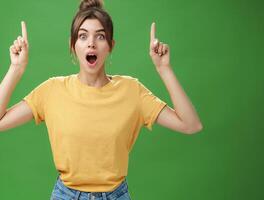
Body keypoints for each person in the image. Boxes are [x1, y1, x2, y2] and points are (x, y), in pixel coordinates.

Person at [0, 0, 203, 199]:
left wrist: (163, 69)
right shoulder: (52, 90)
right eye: (82, 36)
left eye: (100, 36)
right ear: (73, 45)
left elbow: (190, 124)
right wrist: (16, 69)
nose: (91, 43)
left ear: (110, 46)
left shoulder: (132, 91)